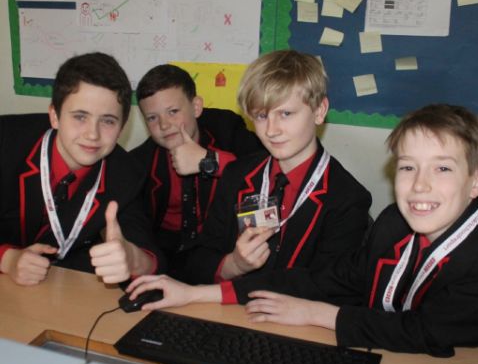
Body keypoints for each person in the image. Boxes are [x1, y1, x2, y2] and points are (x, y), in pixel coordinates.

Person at [242, 104, 478, 357]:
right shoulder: (393, 224)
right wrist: (225, 290)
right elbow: (334, 278)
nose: (420, 185)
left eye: (442, 168)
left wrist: (316, 313)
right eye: (408, 167)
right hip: (396, 362)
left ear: (477, 179)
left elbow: (428, 330)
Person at [125, 50, 372, 307]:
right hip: (232, 313)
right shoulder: (238, 175)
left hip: (295, 322)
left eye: (286, 114)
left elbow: (321, 285)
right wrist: (233, 264)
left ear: (320, 111)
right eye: (261, 116)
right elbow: (198, 260)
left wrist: (207, 293)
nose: (272, 130)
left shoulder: (348, 198)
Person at [0, 52, 162, 286]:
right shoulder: (6, 141)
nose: (92, 134)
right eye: (80, 117)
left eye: (108, 121)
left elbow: (151, 256)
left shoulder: (127, 174)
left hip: (58, 289)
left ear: (122, 127)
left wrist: (132, 258)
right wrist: (7, 259)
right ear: (54, 116)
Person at [132, 64, 262, 276]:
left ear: (196, 107)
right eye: (152, 118)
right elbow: (139, 231)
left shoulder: (227, 129)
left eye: (173, 112)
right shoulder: (140, 162)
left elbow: (266, 170)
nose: (164, 125)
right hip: (168, 258)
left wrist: (210, 161)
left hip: (225, 249)